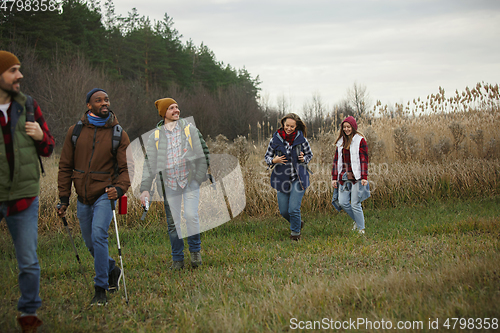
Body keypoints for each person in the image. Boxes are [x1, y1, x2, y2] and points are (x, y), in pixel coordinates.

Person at [57, 88, 131, 306]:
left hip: (105, 195)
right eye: (98, 100)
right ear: (89, 105)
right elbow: (65, 167)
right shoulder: (75, 132)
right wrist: (63, 198)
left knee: (99, 235)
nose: (104, 103)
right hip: (82, 196)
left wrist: (118, 189)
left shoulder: (118, 134)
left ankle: (100, 290)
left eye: (106, 99)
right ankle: (111, 269)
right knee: (90, 244)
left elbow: (127, 169)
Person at [0, 51, 54, 331]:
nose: (19, 75)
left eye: (19, 70)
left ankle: (29, 315)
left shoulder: (29, 106)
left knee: (29, 262)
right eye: (13, 71)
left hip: (24, 197)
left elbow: (48, 149)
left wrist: (40, 136)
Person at [140, 98, 209, 270]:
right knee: (173, 224)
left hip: (189, 181)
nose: (176, 110)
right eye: (171, 108)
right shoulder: (155, 136)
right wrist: (145, 189)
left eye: (177, 107)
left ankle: (195, 252)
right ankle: (177, 259)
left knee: (191, 216)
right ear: (163, 113)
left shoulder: (189, 130)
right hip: (169, 184)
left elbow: (204, 154)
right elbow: (149, 164)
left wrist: (197, 178)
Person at [265, 113, 313, 241]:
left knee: (293, 208)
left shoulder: (302, 140)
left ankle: (295, 234)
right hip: (281, 179)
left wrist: (304, 158)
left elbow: (309, 155)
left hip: (298, 178)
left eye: (292, 126)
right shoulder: (275, 140)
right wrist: (274, 160)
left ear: (296, 126)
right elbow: (267, 157)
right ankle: (298, 223)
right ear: (283, 125)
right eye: (287, 125)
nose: (289, 128)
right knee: (284, 211)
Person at [331, 116, 369, 234]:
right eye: (344, 127)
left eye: (349, 127)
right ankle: (357, 221)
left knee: (355, 203)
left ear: (353, 127)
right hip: (343, 177)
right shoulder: (340, 142)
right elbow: (336, 161)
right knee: (343, 202)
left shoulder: (360, 140)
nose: (346, 129)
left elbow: (364, 159)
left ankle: (361, 228)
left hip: (356, 177)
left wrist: (364, 177)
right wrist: (334, 178)